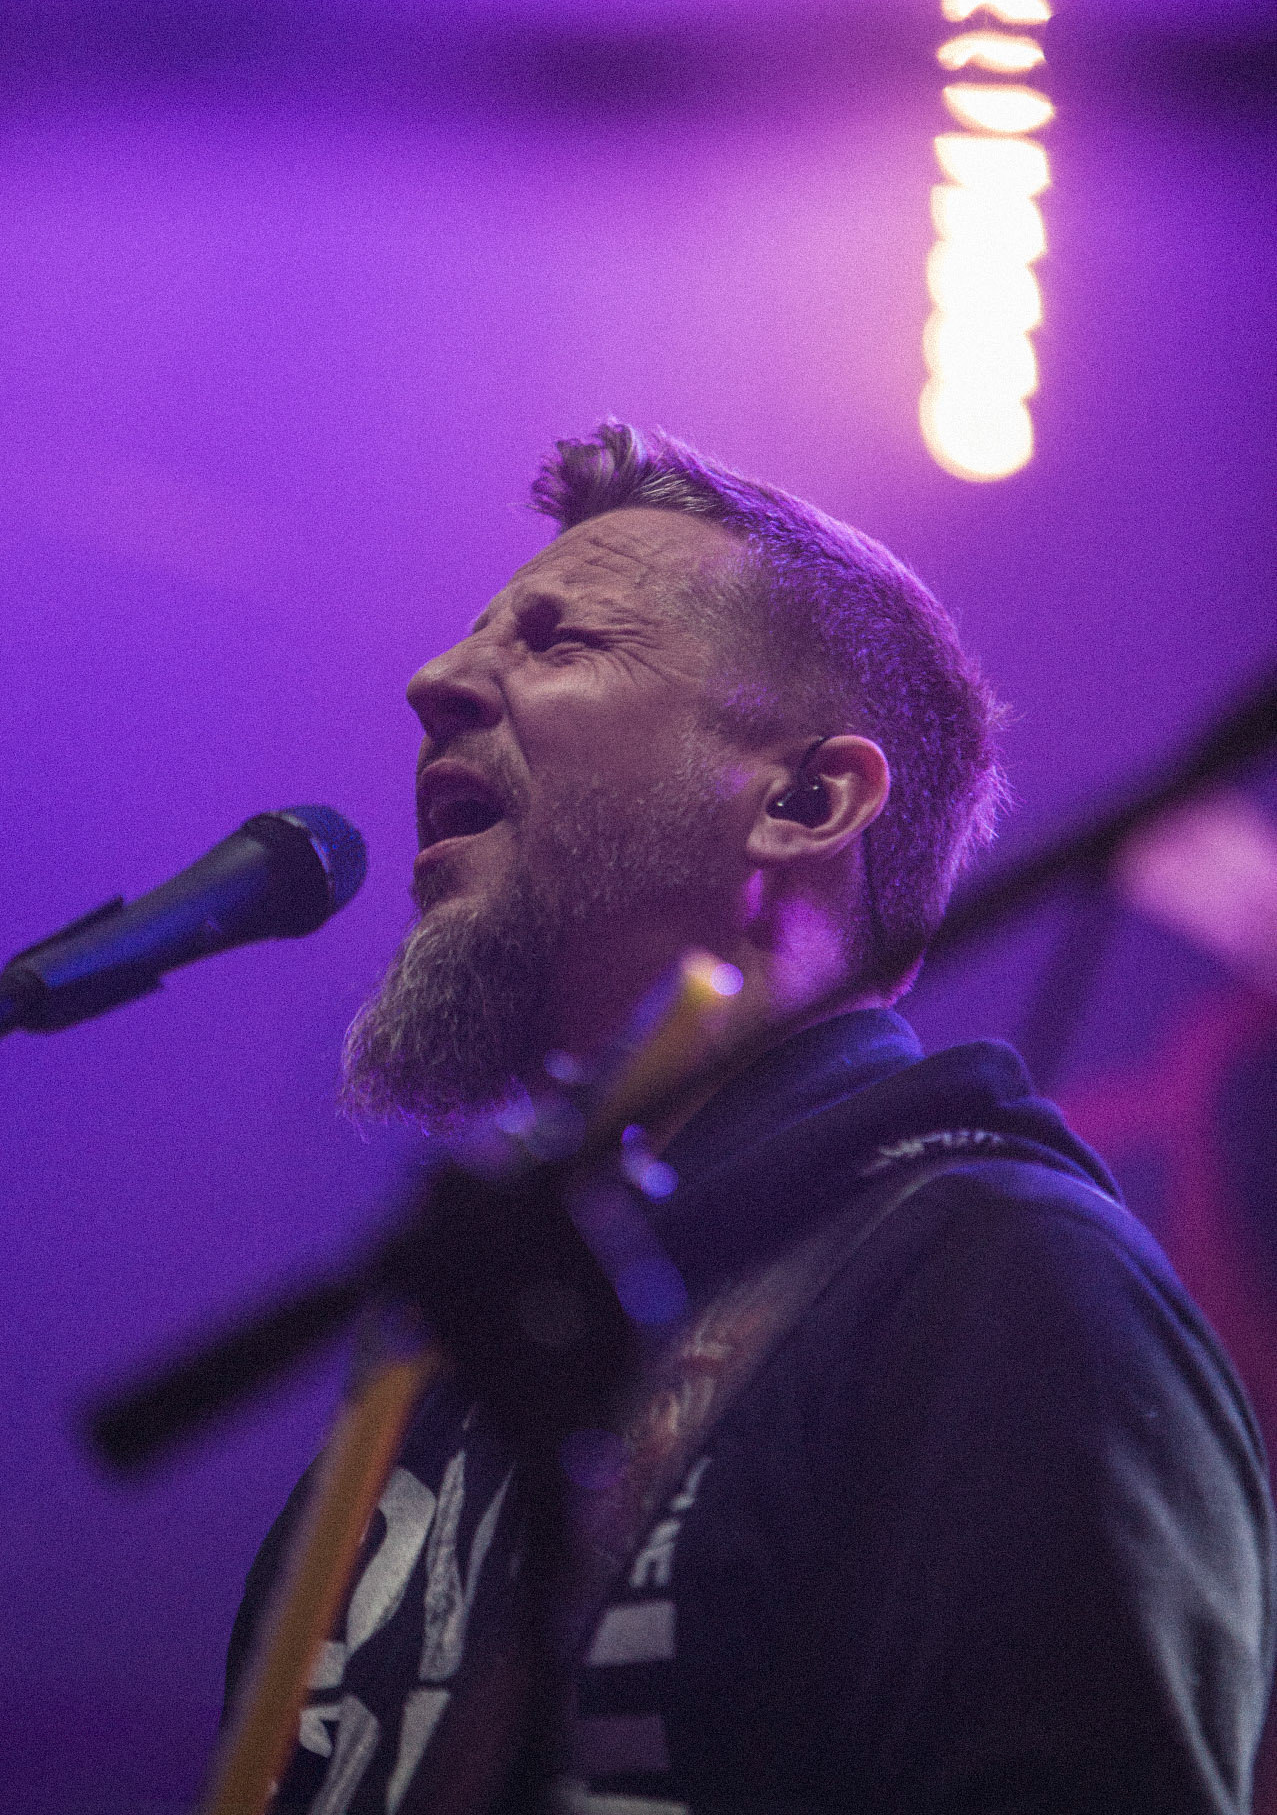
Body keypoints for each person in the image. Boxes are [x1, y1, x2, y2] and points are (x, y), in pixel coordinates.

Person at [226, 423, 1274, 1814]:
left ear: (805, 799)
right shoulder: (463, 1348)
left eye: (561, 640)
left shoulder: (996, 1281)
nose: (436, 681)